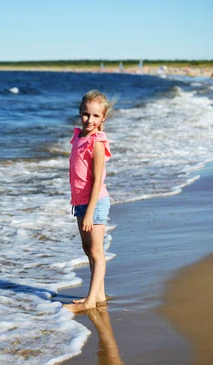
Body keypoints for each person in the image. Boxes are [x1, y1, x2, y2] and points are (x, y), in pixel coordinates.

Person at [64, 90, 115, 312]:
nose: (90, 120)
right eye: (86, 114)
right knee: (87, 248)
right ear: (80, 113)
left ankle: (90, 300)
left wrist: (89, 211)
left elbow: (96, 181)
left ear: (103, 118)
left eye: (95, 116)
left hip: (95, 202)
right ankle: (99, 294)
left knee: (96, 251)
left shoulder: (96, 142)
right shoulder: (78, 137)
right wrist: (81, 208)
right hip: (81, 203)